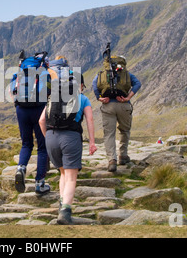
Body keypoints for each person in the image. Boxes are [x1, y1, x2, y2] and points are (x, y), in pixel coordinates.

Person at [39, 71, 97, 225]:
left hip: (51, 136)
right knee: (71, 177)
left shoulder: (54, 98)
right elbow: (90, 120)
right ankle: (65, 212)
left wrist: (48, 138)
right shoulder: (83, 98)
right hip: (70, 137)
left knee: (63, 174)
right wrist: (92, 142)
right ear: (81, 85)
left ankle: (61, 203)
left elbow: (41, 120)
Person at [10, 52, 51, 195]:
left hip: (21, 109)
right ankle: (40, 183)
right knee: (42, 147)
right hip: (39, 109)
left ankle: (21, 168)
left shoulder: (21, 71)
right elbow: (49, 92)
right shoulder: (44, 72)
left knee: (26, 143)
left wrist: (18, 105)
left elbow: (12, 90)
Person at [93, 56, 141, 172]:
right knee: (124, 130)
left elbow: (95, 86)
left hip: (108, 106)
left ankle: (112, 160)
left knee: (109, 134)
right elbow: (137, 84)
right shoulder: (126, 74)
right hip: (124, 105)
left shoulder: (102, 74)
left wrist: (100, 98)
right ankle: (123, 155)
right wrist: (128, 97)